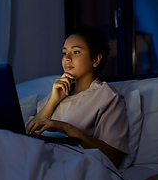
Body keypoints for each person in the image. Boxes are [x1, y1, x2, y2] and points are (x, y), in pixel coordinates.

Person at [26, 26, 129, 168]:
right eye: (64, 53)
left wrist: (65, 128)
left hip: (70, 165)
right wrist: (53, 101)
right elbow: (29, 132)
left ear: (96, 60)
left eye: (76, 52)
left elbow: (114, 156)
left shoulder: (108, 97)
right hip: (38, 157)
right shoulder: (59, 92)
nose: (67, 58)